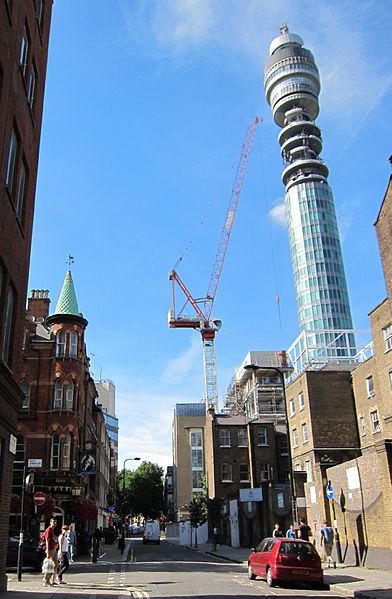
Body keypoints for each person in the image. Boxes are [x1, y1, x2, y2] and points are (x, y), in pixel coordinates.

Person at [42, 518, 58, 586]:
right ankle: (45, 580)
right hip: (50, 549)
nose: (54, 523)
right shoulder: (48, 530)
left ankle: (49, 579)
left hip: (53, 549)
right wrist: (48, 552)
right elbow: (47, 541)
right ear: (50, 522)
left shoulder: (52, 530)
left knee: (55, 564)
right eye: (53, 522)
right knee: (49, 565)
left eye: (55, 522)